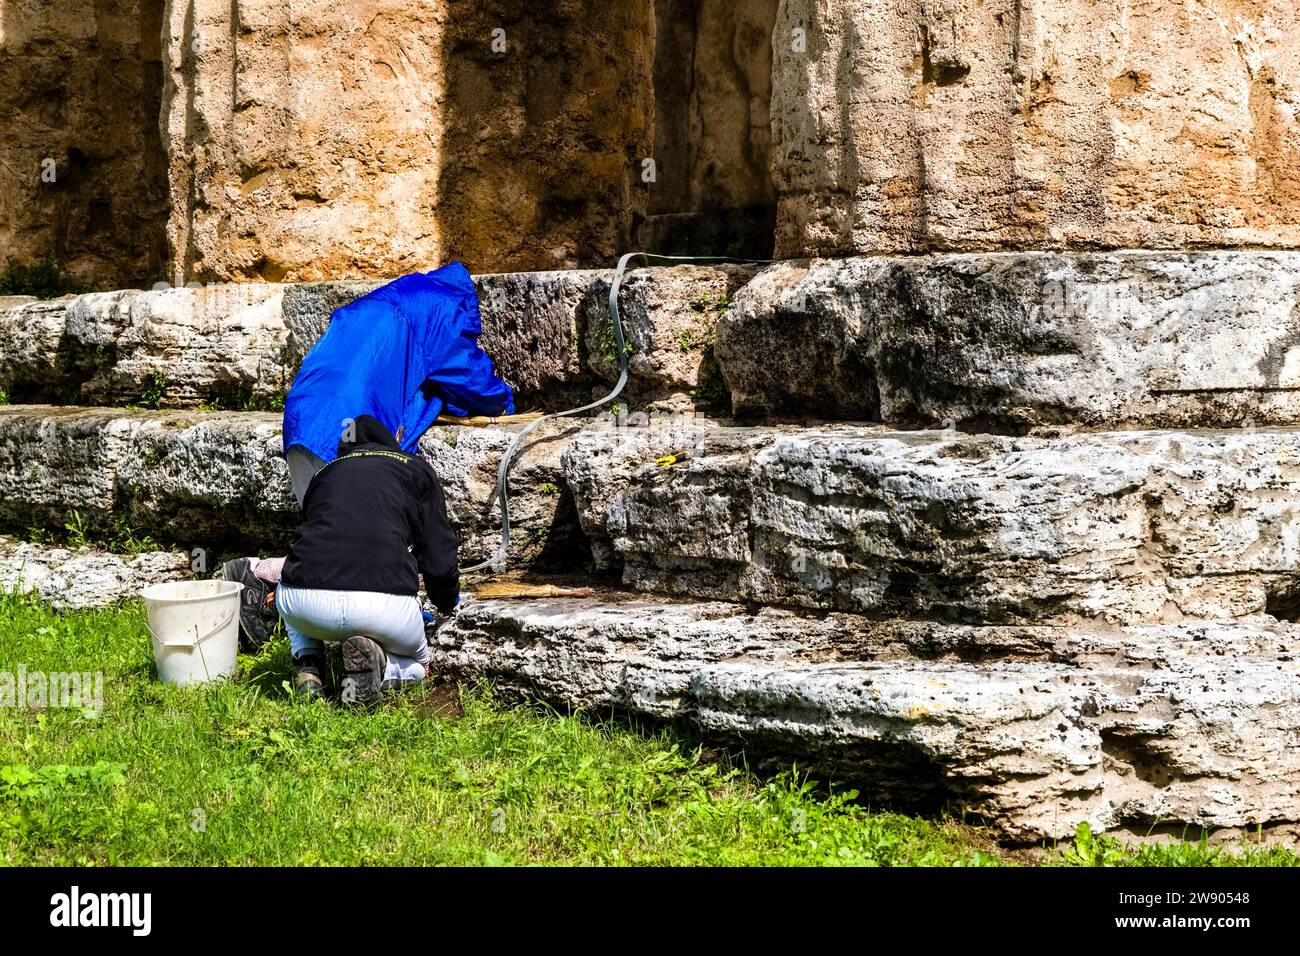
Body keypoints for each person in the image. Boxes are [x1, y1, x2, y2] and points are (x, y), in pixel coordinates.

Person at [273, 414, 460, 704]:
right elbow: (439, 557)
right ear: (390, 443)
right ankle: (384, 669)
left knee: (293, 577)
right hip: (384, 610)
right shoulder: (415, 470)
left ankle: (308, 664)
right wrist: (447, 602)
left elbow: (309, 541)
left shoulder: (324, 474)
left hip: (302, 606)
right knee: (422, 665)